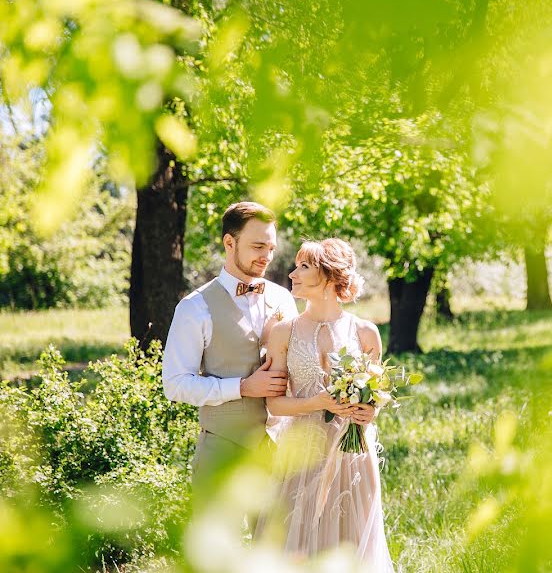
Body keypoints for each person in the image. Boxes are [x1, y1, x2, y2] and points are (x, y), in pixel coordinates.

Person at [257, 238, 393, 571]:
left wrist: (371, 411)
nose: (292, 273)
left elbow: (375, 396)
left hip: (353, 452)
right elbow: (274, 405)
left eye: (304, 266)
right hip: (301, 455)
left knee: (352, 541)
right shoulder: (282, 332)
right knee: (298, 544)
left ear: (330, 275)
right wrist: (316, 402)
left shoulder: (365, 333)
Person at [161, 201, 298, 496]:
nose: (267, 257)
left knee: (277, 542)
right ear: (229, 242)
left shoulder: (284, 299)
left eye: (271, 248)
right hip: (222, 449)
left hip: (279, 449)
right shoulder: (194, 307)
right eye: (258, 247)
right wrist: (243, 387)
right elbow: (174, 385)